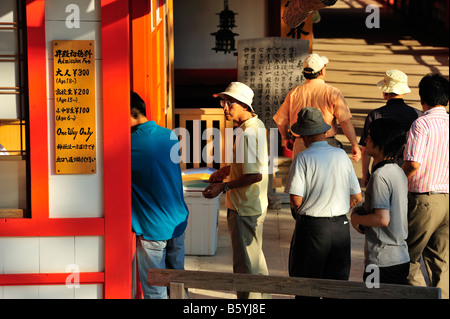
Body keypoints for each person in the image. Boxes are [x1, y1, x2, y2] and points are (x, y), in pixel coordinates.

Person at [202, 82, 270, 299]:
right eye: (223, 102)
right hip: (253, 204)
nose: (225, 107)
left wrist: (224, 186)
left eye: (229, 103)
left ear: (243, 105)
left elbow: (254, 175)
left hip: (244, 206)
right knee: (255, 261)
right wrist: (225, 171)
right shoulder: (255, 125)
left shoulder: (247, 134)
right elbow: (250, 166)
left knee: (244, 266)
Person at [285, 107, 362, 293]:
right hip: (340, 228)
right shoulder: (341, 155)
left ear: (303, 135)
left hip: (312, 228)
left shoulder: (303, 158)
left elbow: (296, 200)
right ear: (325, 131)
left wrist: (311, 207)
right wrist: (336, 206)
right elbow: (357, 196)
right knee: (335, 288)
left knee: (307, 287)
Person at [130, 91, 189, 299]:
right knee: (177, 283)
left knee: (155, 290)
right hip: (177, 220)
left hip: (152, 227)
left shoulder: (128, 145)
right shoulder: (169, 135)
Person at [402, 73, 449, 299]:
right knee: (441, 261)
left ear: (422, 98)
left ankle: (421, 298)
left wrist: (398, 180)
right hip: (447, 199)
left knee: (407, 258)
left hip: (425, 200)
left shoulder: (422, 123)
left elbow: (413, 163)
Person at [351, 118, 410, 285]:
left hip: (380, 261)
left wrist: (356, 219)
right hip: (400, 258)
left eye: (369, 137)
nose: (366, 141)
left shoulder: (379, 176)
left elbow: (382, 219)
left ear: (381, 144)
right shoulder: (398, 171)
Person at [273, 53, 361, 161]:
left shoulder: (294, 93)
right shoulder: (332, 92)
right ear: (322, 71)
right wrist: (354, 144)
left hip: (300, 144)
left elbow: (281, 121)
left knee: (303, 176)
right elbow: (345, 122)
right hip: (326, 144)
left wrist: (286, 138)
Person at [359, 70, 421, 186]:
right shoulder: (417, 115)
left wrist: (365, 173)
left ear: (384, 92)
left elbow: (365, 149)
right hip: (408, 169)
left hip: (380, 167)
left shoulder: (375, 115)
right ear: (404, 92)